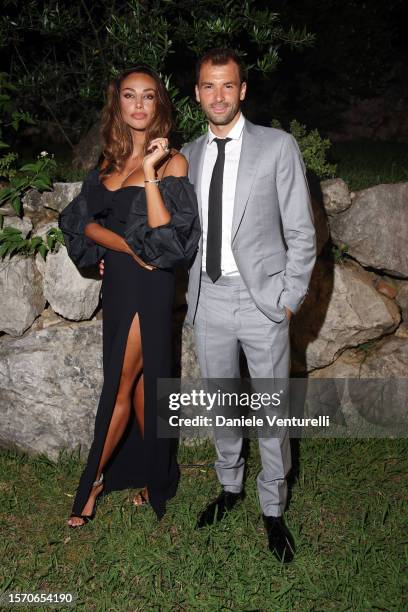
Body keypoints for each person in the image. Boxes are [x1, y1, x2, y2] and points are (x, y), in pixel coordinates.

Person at [180, 48, 316, 562]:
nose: (218, 95)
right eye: (209, 86)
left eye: (228, 85)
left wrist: (286, 300)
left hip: (262, 302)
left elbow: (302, 231)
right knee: (222, 404)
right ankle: (230, 486)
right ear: (198, 93)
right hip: (208, 296)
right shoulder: (188, 154)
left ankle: (273, 508)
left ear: (242, 91)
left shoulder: (277, 147)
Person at [59, 66, 200, 527]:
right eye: (128, 95)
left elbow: (166, 238)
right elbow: (83, 223)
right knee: (139, 385)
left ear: (159, 104)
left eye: (148, 96)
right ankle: (158, 475)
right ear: (117, 103)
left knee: (122, 384)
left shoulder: (173, 162)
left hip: (150, 285)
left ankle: (92, 482)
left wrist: (150, 174)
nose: (139, 105)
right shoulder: (107, 164)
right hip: (119, 283)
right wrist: (121, 245)